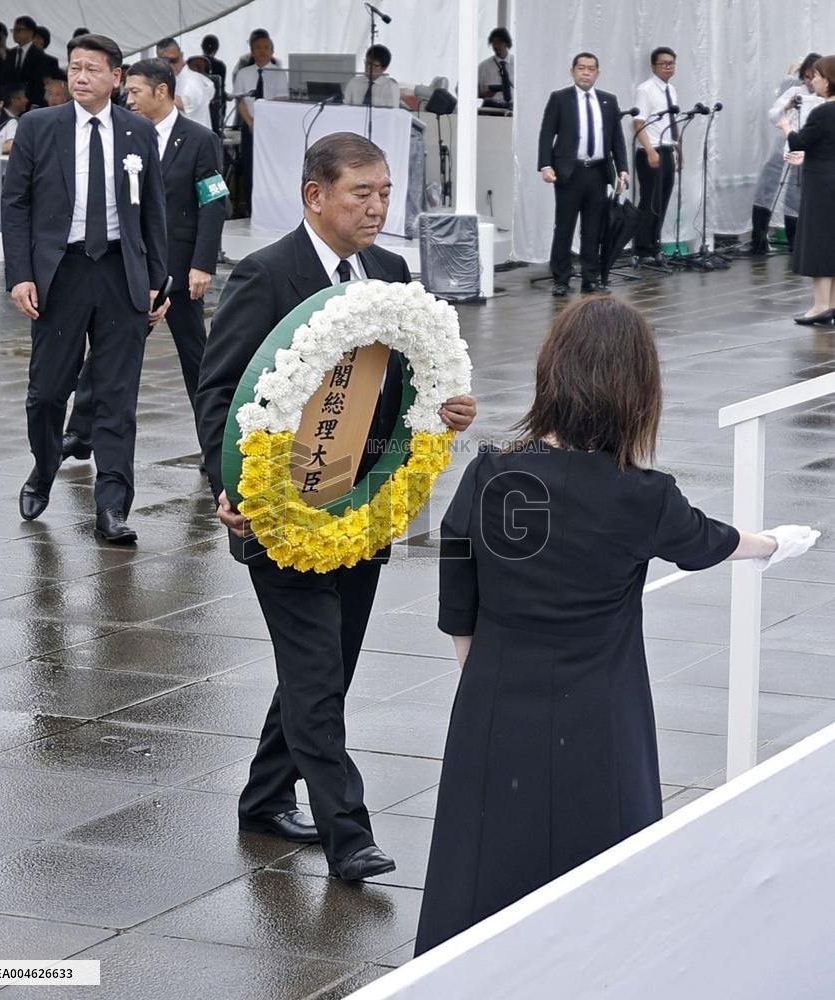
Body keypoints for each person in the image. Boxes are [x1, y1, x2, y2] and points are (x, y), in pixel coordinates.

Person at [414, 296, 820, 955]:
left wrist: (487, 682)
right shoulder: (639, 494)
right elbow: (707, 541)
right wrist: (772, 542)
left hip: (494, 704)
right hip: (600, 717)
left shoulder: (488, 474)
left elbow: (457, 605)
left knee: (481, 877)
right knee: (601, 891)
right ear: (633, 391)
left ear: (552, 376)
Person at [194, 132, 477, 881]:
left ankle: (262, 797)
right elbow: (218, 390)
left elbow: (403, 384)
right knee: (317, 676)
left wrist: (442, 412)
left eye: (385, 192)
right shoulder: (264, 274)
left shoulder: (387, 273)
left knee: (326, 670)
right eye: (363, 192)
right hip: (274, 513)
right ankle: (349, 835)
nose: (378, 207)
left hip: (360, 507)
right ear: (315, 195)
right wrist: (223, 483)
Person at [1, 33, 169, 543]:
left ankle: (113, 507)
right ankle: (44, 467)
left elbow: (153, 212)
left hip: (120, 272)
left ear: (116, 78)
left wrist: (157, 283)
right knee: (47, 393)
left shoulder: (139, 132)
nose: (79, 78)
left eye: (92, 69)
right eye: (74, 68)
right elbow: (16, 206)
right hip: (61, 272)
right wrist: (20, 274)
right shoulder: (37, 127)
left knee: (117, 398)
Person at [63, 58, 227, 464]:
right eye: (127, 91)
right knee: (106, 349)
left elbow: (213, 203)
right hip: (131, 267)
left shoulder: (199, 139)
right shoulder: (120, 133)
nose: (128, 98)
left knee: (196, 358)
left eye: (136, 91)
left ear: (162, 91)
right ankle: (80, 432)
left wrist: (202, 264)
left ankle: (214, 445)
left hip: (180, 269)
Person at [538, 52, 629, 296]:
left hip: (598, 172)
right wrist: (545, 165)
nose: (586, 73)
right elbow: (547, 133)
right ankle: (561, 278)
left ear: (597, 73)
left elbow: (616, 139)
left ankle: (591, 278)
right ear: (573, 71)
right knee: (564, 226)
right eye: (581, 68)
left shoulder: (608, 101)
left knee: (593, 228)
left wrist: (622, 169)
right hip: (570, 172)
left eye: (591, 69)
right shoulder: (560, 98)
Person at [735, 54, 823, 258]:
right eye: (806, 77)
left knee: (795, 194)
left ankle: (796, 244)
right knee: (766, 188)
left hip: (808, 150)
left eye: (814, 76)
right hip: (785, 144)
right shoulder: (794, 91)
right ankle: (758, 242)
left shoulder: (824, 98)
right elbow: (773, 115)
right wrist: (787, 106)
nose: (810, 81)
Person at [778, 55, 835, 325]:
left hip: (822, 185)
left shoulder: (823, 112)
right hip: (828, 176)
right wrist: (809, 158)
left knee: (819, 242)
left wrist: (787, 127)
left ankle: (821, 305)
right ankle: (831, 304)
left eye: (819, 76)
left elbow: (799, 142)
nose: (814, 80)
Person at [632, 46, 680, 268]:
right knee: (650, 201)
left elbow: (672, 123)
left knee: (663, 200)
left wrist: (679, 150)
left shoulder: (671, 90)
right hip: (651, 151)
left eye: (671, 63)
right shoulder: (646, 89)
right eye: (664, 63)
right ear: (653, 66)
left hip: (668, 149)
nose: (668, 67)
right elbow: (638, 123)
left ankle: (655, 245)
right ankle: (642, 249)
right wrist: (650, 150)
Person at [233, 31, 288, 209]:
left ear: (272, 51)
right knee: (250, 168)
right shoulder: (243, 73)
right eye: (257, 48)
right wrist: (250, 122)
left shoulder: (280, 73)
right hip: (250, 127)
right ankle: (250, 207)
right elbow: (240, 100)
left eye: (266, 48)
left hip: (271, 129)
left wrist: (265, 123)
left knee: (270, 169)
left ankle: (270, 206)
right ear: (252, 51)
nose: (262, 51)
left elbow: (281, 100)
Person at [155, 37, 214, 130]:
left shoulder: (192, 80)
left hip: (197, 137)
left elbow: (186, 103)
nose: (170, 65)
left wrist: (155, 90)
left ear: (181, 55)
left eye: (174, 60)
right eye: (164, 61)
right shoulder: (172, 78)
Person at [7, 15, 49, 107]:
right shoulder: (11, 54)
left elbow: (38, 83)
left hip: (31, 103)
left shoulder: (39, 55)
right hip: (11, 104)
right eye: (13, 30)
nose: (15, 34)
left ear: (30, 32)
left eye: (19, 30)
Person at [478, 27, 514, 110]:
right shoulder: (484, 66)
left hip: (511, 108)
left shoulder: (516, 65)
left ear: (506, 43)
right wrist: (483, 94)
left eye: (499, 42)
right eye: (494, 43)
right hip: (490, 108)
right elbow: (469, 91)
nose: (496, 46)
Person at [0, 83, 29, 153]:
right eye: (24, 97)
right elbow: (11, 146)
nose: (27, 100)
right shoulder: (11, 122)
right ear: (14, 100)